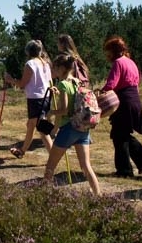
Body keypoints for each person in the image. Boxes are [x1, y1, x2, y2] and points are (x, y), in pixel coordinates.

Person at [42, 53, 101, 195]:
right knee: (86, 166)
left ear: (61, 68)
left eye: (55, 68)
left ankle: (43, 196)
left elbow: (64, 110)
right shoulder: (76, 81)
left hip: (68, 129)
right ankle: (98, 195)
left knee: (50, 167)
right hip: (82, 127)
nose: (53, 71)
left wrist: (51, 113)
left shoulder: (62, 84)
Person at [100, 35, 142, 177]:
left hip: (123, 101)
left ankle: (125, 170)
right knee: (122, 134)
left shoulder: (118, 63)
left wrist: (99, 94)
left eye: (108, 52)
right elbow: (136, 85)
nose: (107, 55)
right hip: (134, 100)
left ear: (113, 51)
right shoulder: (131, 63)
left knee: (119, 136)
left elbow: (111, 85)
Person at [3, 39, 53, 157]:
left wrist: (10, 80)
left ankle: (53, 157)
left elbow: (22, 84)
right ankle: (22, 150)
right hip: (45, 97)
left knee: (42, 130)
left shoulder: (30, 64)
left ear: (28, 52)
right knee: (31, 125)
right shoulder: (45, 63)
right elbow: (50, 81)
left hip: (35, 99)